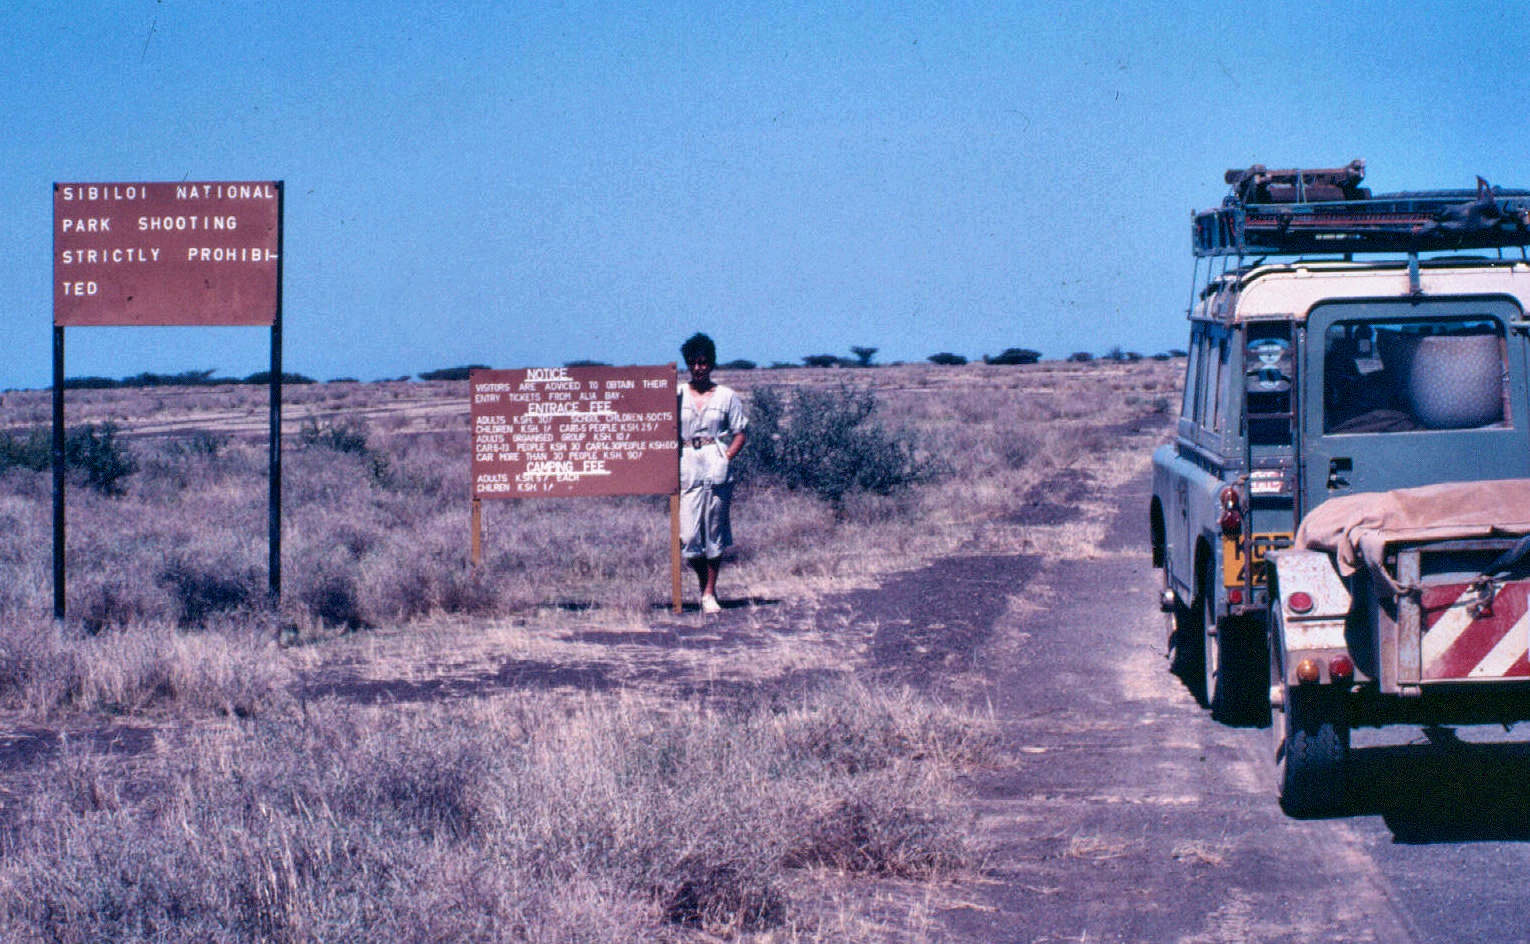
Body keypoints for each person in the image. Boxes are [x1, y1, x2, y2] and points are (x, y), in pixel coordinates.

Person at [678, 332, 748, 613]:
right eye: (693, 362)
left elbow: (740, 432)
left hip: (715, 464)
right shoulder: (677, 394)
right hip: (685, 464)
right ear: (688, 364)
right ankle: (703, 581)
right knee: (688, 535)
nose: (699, 367)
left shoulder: (726, 396)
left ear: (712, 364)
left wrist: (726, 457)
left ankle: (709, 593)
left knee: (714, 531)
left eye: (704, 362)